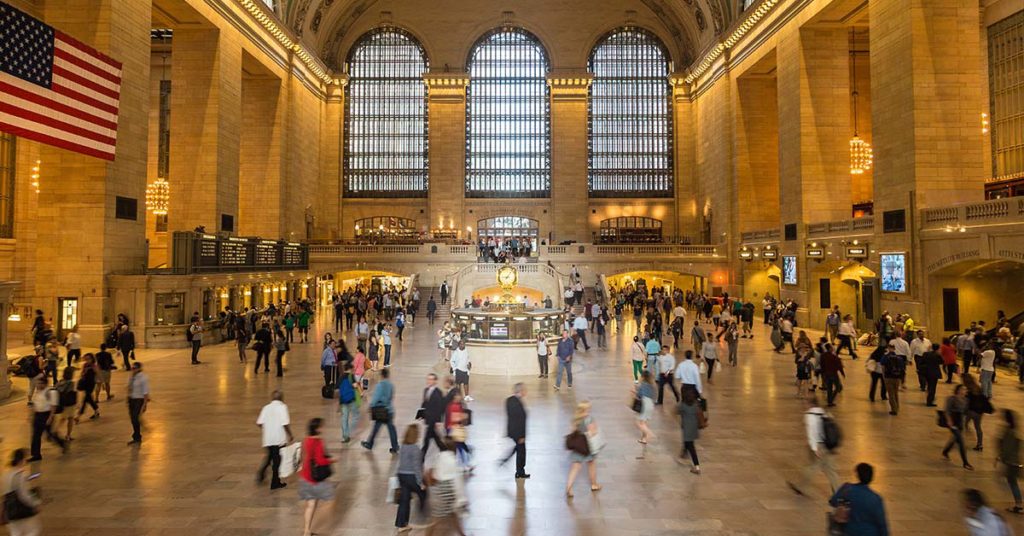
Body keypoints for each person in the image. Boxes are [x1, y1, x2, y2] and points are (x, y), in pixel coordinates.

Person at [787, 394, 839, 495]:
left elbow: (811, 433)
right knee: (831, 470)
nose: (804, 404)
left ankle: (800, 487)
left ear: (810, 403)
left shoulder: (809, 415)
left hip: (819, 446)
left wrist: (815, 449)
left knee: (812, 467)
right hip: (828, 444)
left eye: (806, 402)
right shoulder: (823, 412)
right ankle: (837, 493)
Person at [829, 463, 890, 536]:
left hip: (850, 531)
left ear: (858, 475)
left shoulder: (847, 489)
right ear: (871, 478)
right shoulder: (875, 498)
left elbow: (833, 501)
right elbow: (881, 523)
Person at [299, 418, 334, 536]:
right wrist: (332, 460)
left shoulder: (306, 440)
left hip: (305, 475)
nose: (323, 428)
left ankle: (306, 530)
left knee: (311, 504)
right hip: (316, 479)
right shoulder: (318, 442)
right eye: (321, 426)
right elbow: (321, 460)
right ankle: (320, 527)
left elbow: (303, 457)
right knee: (330, 503)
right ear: (317, 428)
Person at [425, 438, 467, 536]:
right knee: (438, 517)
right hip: (448, 490)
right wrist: (461, 498)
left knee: (452, 515)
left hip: (439, 488)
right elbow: (457, 481)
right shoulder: (453, 460)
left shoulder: (440, 456)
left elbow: (435, 473)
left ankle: (462, 534)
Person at [256, 390, 293, 490]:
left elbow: (259, 423)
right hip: (278, 438)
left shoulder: (266, 408)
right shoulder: (282, 407)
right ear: (281, 398)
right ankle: (275, 482)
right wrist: (290, 435)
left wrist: (268, 428)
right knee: (277, 461)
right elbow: (285, 423)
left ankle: (261, 474)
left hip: (268, 438)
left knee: (270, 457)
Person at [2, 449, 43, 535]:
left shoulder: (5, 474)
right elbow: (24, 495)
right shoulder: (21, 475)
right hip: (21, 510)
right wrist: (35, 503)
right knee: (33, 530)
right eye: (26, 459)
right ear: (22, 460)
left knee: (15, 532)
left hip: (10, 511)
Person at [565, 401, 602, 497]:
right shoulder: (589, 419)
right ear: (586, 409)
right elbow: (592, 432)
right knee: (591, 465)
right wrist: (594, 430)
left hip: (578, 447)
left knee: (575, 468)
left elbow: (573, 432)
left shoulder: (575, 419)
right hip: (588, 447)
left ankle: (569, 487)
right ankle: (594, 484)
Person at [28, 376, 67, 461]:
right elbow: (35, 404)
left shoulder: (51, 392)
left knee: (50, 434)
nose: (37, 385)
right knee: (36, 435)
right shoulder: (38, 391)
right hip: (38, 415)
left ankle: (62, 443)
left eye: (39, 383)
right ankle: (36, 455)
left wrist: (50, 417)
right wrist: (32, 415)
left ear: (45, 384)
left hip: (46, 415)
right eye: (37, 383)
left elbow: (53, 406)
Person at [395, 425, 426, 532]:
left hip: (401, 476)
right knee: (423, 493)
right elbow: (417, 467)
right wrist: (420, 482)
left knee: (404, 500)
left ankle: (401, 524)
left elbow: (400, 462)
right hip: (411, 476)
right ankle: (423, 513)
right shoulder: (416, 449)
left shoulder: (403, 446)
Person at [361, 368, 399, 453]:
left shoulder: (380, 385)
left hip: (380, 411)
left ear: (381, 375)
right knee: (391, 429)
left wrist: (371, 406)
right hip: (389, 410)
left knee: (376, 428)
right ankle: (395, 446)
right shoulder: (391, 385)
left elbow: (375, 398)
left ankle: (369, 444)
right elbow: (391, 397)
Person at [499, 382, 530, 479]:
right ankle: (520, 472)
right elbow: (519, 421)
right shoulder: (516, 403)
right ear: (520, 391)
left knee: (518, 449)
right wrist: (521, 436)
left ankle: (507, 462)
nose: (526, 391)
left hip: (513, 431)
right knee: (521, 452)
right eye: (524, 390)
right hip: (518, 433)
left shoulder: (510, 400)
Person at [997, 409, 1022, 515]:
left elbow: (1007, 448)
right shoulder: (1014, 429)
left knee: (1013, 483)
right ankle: (1018, 504)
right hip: (1014, 460)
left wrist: (1002, 458)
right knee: (1013, 482)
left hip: (1012, 462)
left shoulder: (1009, 431)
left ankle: (1019, 505)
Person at [942, 384, 974, 470]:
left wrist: (967, 425)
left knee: (955, 439)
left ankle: (945, 451)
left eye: (966, 390)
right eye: (963, 389)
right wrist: (949, 421)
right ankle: (965, 462)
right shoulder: (951, 399)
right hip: (952, 421)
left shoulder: (966, 400)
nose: (965, 391)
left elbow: (965, 413)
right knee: (961, 441)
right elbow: (947, 410)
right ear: (958, 390)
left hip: (960, 422)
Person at [676, 386, 707, 474]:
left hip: (686, 429)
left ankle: (697, 467)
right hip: (694, 429)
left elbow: (676, 411)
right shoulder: (695, 404)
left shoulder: (683, 405)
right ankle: (682, 455)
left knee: (691, 447)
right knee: (688, 443)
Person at [420, 373, 447, 459]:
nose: (429, 381)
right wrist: (421, 414)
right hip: (428, 418)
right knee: (436, 438)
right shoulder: (425, 390)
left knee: (426, 439)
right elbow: (424, 404)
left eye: (431, 379)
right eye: (428, 379)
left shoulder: (438, 393)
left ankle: (421, 456)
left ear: (435, 381)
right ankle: (445, 451)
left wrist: (438, 421)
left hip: (433, 420)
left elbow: (440, 408)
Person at [126, 362, 150, 446]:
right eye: (132, 368)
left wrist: (144, 404)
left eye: (135, 368)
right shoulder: (132, 377)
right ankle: (136, 435)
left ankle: (137, 437)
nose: (133, 370)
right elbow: (128, 387)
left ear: (139, 368)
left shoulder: (143, 377)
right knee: (133, 419)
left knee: (135, 418)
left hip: (139, 400)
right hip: (131, 399)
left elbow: (146, 392)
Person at [337, 362, 360, 443]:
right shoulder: (351, 376)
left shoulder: (340, 377)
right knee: (356, 416)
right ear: (350, 369)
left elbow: (338, 390)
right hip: (351, 400)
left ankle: (344, 436)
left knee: (344, 418)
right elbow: (355, 386)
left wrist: (339, 403)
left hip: (343, 401)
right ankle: (348, 432)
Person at [879, 343, 904, 415]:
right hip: (897, 378)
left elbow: (883, 367)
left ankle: (894, 409)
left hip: (889, 377)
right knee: (896, 393)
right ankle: (897, 407)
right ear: (894, 349)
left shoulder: (885, 357)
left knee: (891, 394)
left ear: (888, 348)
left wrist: (884, 376)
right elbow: (902, 369)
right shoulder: (899, 358)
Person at [75, 353, 100, 422]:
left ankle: (78, 416)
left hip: (91, 384)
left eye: (88, 359)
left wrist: (100, 384)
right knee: (89, 399)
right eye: (86, 359)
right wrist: (84, 372)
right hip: (85, 383)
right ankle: (96, 410)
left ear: (92, 359)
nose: (87, 360)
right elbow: (82, 374)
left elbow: (97, 374)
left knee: (86, 399)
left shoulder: (94, 366)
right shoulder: (85, 365)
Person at [635, 371, 656, 445]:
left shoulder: (642, 385)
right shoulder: (652, 386)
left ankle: (650, 434)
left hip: (645, 404)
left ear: (643, 377)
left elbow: (639, 395)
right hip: (651, 404)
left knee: (638, 423)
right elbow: (654, 397)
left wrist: (634, 391)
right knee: (644, 423)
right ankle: (644, 439)